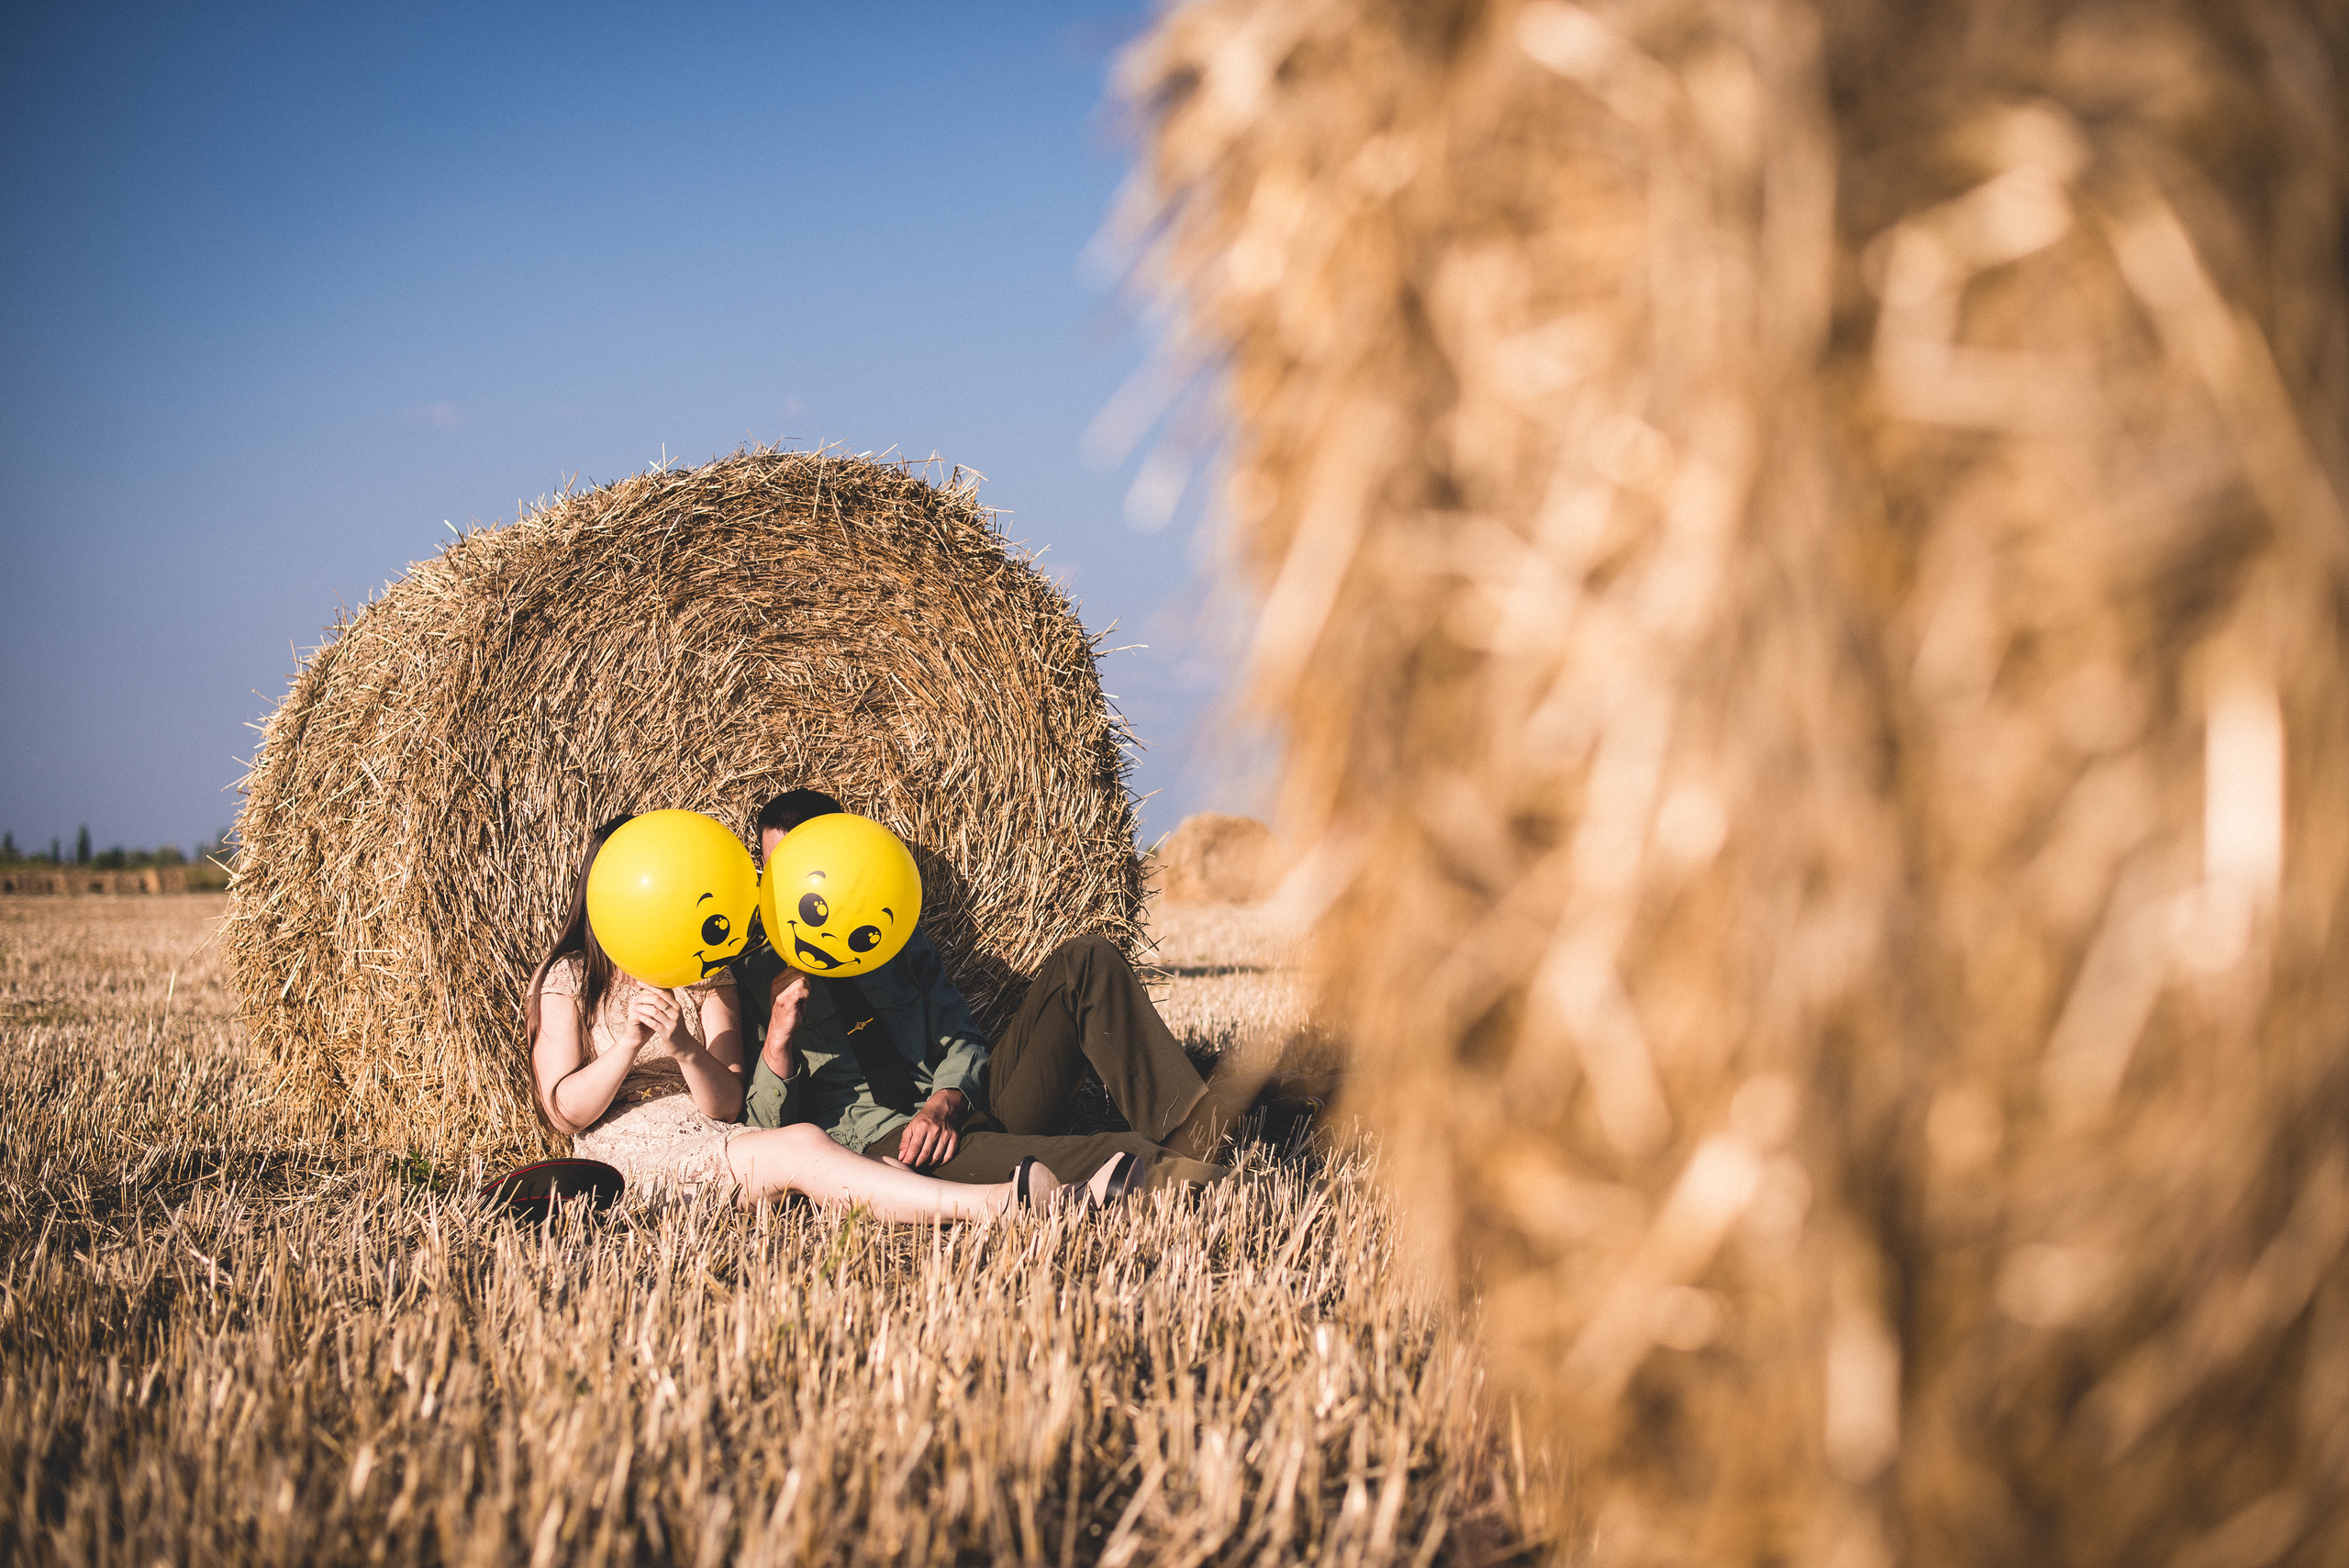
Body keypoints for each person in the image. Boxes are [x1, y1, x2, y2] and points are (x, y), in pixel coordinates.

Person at [525, 814, 1133, 1218]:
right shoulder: (571, 978)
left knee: (811, 1150)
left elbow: (727, 1104)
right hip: (626, 1153)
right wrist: (627, 1044)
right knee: (807, 1145)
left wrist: (684, 1047)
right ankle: (997, 1204)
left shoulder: (709, 974)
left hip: (719, 1136)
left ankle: (1049, 1194)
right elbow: (564, 1111)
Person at [732, 788, 1257, 1189]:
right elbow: (761, 1134)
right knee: (1111, 1154)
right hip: (890, 1146)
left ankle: (1197, 1132)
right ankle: (1206, 1182)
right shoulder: (755, 975)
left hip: (964, 1109)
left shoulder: (897, 943)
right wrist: (779, 1035)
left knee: (1086, 959)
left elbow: (962, 1039)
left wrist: (946, 1099)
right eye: (774, 870)